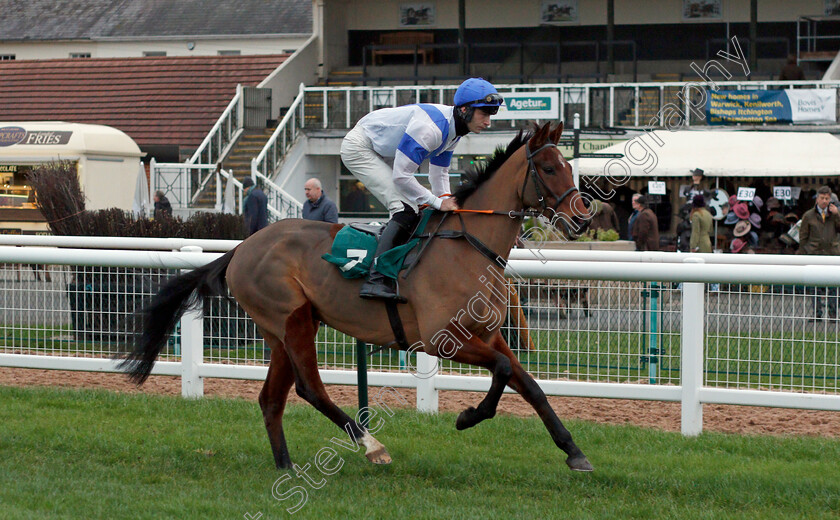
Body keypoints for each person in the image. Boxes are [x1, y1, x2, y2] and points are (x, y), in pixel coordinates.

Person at [340, 77, 503, 301]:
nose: (488, 122)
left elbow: (439, 173)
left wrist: (446, 200)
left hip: (384, 150)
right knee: (405, 209)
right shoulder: (432, 129)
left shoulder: (454, 131)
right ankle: (376, 279)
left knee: (417, 208)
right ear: (465, 109)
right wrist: (438, 202)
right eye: (484, 114)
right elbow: (401, 176)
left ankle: (398, 269)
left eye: (490, 115)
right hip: (361, 147)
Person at [799, 186, 840, 319]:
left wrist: (837, 214)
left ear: (830, 199)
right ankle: (817, 313)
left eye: (827, 198)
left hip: (831, 253)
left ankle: (833, 313)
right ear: (817, 199)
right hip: (814, 253)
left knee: (833, 286)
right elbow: (803, 236)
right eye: (822, 198)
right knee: (814, 286)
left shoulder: (834, 215)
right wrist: (805, 251)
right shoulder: (808, 215)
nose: (824, 201)